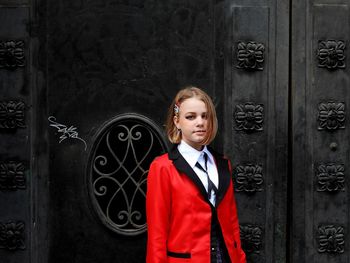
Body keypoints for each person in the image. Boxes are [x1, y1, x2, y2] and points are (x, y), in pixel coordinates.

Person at [146, 86, 246, 263]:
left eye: (205, 116)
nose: (200, 122)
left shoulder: (222, 163)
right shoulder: (162, 167)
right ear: (177, 121)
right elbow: (157, 235)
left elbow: (231, 222)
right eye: (190, 117)